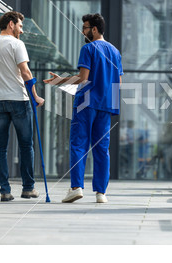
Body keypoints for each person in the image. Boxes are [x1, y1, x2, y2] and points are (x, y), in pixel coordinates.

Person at [44, 13, 123, 203]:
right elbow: (118, 82)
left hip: (86, 102)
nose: (83, 31)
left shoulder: (88, 48)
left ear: (94, 30)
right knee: (102, 148)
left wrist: (59, 80)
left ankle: (76, 187)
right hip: (105, 105)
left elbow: (83, 78)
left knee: (79, 144)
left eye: (85, 28)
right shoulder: (115, 52)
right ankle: (101, 193)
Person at [0, 11, 45, 202]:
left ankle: (4, 191)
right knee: (26, 145)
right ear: (11, 24)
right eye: (20, 26)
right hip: (19, 100)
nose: (22, 30)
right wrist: (35, 96)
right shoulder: (17, 44)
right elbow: (25, 72)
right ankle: (28, 188)